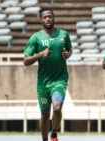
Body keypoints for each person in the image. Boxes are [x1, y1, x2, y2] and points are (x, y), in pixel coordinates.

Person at [23, 7, 72, 141]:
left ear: (54, 17)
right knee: (45, 115)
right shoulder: (36, 38)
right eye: (45, 17)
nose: (48, 19)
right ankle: (45, 139)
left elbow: (69, 49)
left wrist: (67, 54)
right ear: (41, 20)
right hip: (43, 83)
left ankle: (54, 133)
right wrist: (40, 54)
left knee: (56, 108)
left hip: (59, 80)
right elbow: (26, 60)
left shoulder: (64, 35)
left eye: (50, 16)